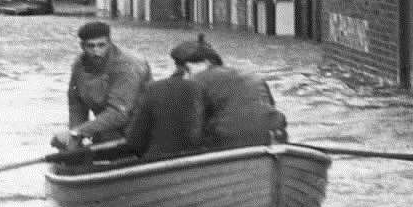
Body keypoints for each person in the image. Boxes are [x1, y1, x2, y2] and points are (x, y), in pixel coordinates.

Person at [169, 34, 289, 150]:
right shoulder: (252, 76)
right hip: (274, 139)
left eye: (182, 67)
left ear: (205, 62)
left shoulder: (195, 81)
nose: (182, 73)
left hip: (228, 145)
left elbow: (186, 126)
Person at [51, 20, 152, 152]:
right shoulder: (78, 66)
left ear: (110, 43)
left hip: (140, 129)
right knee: (65, 148)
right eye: (90, 46)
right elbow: (77, 106)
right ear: (82, 46)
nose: (96, 51)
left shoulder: (128, 65)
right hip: (107, 127)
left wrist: (78, 132)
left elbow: (118, 114)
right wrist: (74, 138)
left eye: (101, 45)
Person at [122, 43, 208, 161]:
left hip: (156, 161)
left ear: (176, 64)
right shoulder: (207, 86)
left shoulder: (154, 88)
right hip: (200, 161)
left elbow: (134, 140)